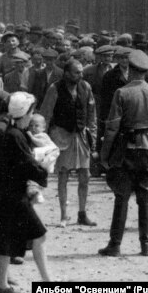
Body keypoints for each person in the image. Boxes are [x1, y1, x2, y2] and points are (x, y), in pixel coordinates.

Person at [0, 92, 53, 293]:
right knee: (39, 235)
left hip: (0, 194)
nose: (32, 116)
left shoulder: (6, 131)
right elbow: (29, 165)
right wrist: (44, 168)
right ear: (26, 112)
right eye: (31, 112)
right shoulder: (16, 135)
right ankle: (48, 283)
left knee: (5, 239)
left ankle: (2, 283)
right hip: (13, 197)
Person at [99, 50, 148, 257]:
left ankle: (115, 244)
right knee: (145, 199)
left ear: (130, 69)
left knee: (122, 197)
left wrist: (104, 155)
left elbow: (111, 129)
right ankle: (146, 245)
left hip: (125, 150)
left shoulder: (121, 93)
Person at [40, 59, 98, 227]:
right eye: (76, 72)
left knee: (84, 176)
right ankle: (64, 215)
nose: (80, 75)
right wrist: (46, 141)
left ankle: (82, 213)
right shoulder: (55, 89)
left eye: (81, 72)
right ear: (66, 73)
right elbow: (46, 114)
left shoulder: (86, 87)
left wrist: (92, 139)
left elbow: (92, 115)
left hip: (80, 136)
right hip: (62, 136)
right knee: (63, 175)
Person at [26, 114, 60, 204]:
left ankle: (37, 193)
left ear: (43, 128)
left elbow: (41, 144)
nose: (33, 128)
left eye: (36, 126)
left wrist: (32, 137)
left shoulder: (42, 135)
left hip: (46, 158)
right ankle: (36, 193)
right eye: (30, 125)